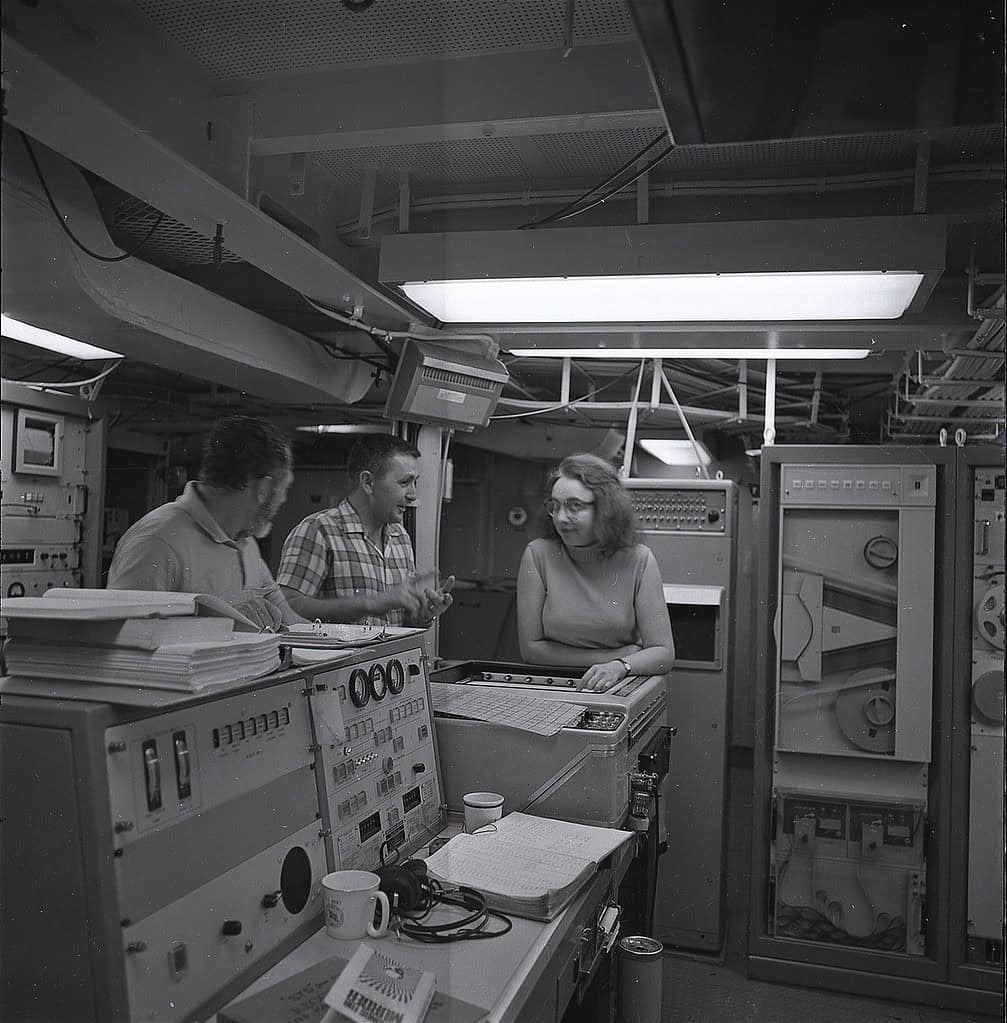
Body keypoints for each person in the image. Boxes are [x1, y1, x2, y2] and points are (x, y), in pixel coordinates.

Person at [107, 415, 305, 631]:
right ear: (263, 489)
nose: (284, 499)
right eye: (284, 489)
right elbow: (121, 636)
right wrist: (221, 624)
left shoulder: (245, 543)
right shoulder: (156, 543)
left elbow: (292, 623)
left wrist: (344, 639)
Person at [517, 453, 675, 692]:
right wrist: (613, 657)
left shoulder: (639, 560)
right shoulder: (538, 555)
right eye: (555, 506)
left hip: (619, 685)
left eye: (574, 506)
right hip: (557, 686)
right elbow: (531, 649)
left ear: (605, 508)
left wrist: (619, 666)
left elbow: (663, 653)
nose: (561, 517)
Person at [276, 434, 454, 627]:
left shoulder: (400, 537)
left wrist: (424, 615)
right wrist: (369, 603)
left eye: (415, 482)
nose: (413, 495)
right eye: (404, 483)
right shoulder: (319, 530)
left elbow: (401, 622)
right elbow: (287, 605)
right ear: (368, 482)